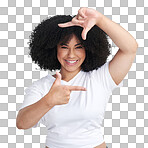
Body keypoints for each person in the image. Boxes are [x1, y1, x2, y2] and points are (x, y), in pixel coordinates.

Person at [16, 7, 138, 148]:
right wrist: (49, 101)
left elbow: (130, 48)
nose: (71, 55)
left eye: (78, 47)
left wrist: (100, 20)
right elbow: (22, 123)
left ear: (88, 48)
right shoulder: (41, 87)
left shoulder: (100, 78)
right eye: (64, 47)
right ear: (54, 49)